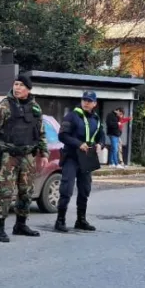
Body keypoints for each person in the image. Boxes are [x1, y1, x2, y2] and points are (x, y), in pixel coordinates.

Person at [0, 72, 48, 243]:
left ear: (28, 89)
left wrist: (44, 153)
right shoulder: (3, 106)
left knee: (26, 192)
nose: (17, 88)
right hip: (9, 156)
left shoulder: (35, 107)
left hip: (28, 156)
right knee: (4, 192)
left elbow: (41, 132)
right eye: (16, 84)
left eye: (21, 85)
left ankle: (20, 225)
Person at [55, 90, 105, 233]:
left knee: (84, 190)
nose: (86, 103)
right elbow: (62, 136)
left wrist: (100, 145)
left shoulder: (96, 119)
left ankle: (81, 220)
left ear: (94, 103)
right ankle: (60, 221)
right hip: (71, 157)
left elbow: (102, 136)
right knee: (66, 189)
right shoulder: (72, 116)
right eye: (84, 100)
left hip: (87, 159)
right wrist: (78, 144)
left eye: (89, 101)